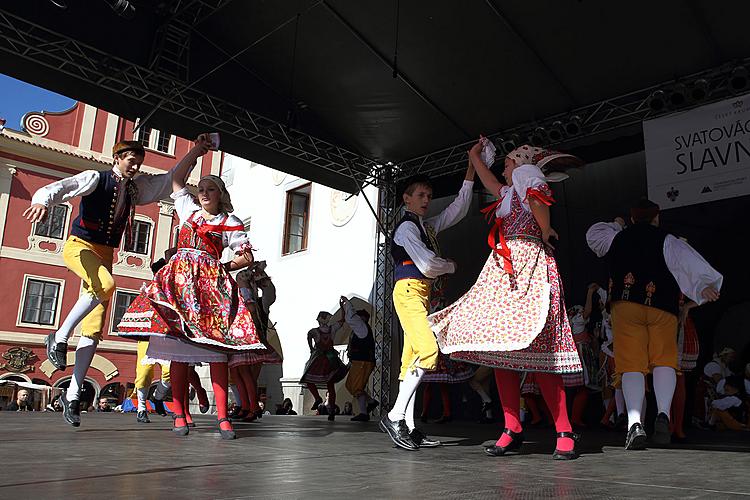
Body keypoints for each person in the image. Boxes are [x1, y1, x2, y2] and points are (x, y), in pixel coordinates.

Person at [26, 139, 203, 428]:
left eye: (138, 161)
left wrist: (196, 151)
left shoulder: (136, 189)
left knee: (94, 330)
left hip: (106, 254)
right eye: (130, 159)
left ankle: (72, 396)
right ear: (117, 157)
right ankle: (58, 336)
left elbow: (172, 178)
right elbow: (63, 187)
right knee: (106, 285)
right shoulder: (97, 178)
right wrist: (41, 201)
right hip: (79, 246)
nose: (135, 165)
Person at [430, 140, 583, 460]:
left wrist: (544, 229)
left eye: (509, 162)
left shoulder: (528, 175)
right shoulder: (509, 192)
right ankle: (511, 427)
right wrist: (473, 157)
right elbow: (490, 181)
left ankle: (563, 429)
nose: (505, 167)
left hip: (525, 263)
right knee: (501, 350)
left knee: (542, 352)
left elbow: (538, 199)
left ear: (522, 164)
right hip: (506, 267)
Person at [117, 134, 265, 440]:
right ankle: (180, 414)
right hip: (179, 284)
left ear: (221, 194)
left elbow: (246, 255)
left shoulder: (231, 221)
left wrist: (223, 266)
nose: (204, 192)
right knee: (178, 351)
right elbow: (177, 177)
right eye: (201, 189)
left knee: (217, 352)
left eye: (211, 188)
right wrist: (198, 149)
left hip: (210, 287)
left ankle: (223, 417)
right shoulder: (188, 210)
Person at [586, 198, 722, 449]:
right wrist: (706, 286)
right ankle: (663, 414)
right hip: (661, 306)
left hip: (624, 306)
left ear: (632, 217)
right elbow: (690, 264)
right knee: (664, 360)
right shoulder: (668, 240)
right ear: (656, 217)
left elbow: (593, 235)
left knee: (631, 365)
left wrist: (617, 225)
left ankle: (635, 423)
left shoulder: (616, 238)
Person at [379, 158, 475, 451]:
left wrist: (471, 170)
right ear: (406, 198)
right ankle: (395, 417)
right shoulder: (407, 228)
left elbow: (456, 210)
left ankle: (408, 427)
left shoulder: (424, 226)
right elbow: (428, 263)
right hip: (408, 291)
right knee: (428, 350)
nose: (426, 200)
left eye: (429, 196)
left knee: (411, 360)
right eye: (420, 195)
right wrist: (450, 266)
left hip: (419, 294)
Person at [230, 261, 282, 422]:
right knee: (237, 372)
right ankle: (246, 406)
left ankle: (252, 406)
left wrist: (259, 276)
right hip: (240, 338)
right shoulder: (245, 298)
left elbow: (268, 295)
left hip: (250, 339)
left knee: (246, 373)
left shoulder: (256, 301)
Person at [300, 311, 348, 421]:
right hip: (326, 357)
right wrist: (311, 348)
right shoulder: (324, 330)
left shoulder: (319, 331)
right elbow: (309, 335)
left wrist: (312, 348)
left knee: (322, 382)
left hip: (324, 358)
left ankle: (325, 405)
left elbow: (309, 335)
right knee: (318, 381)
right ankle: (321, 401)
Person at [340, 296, 379, 422]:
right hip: (359, 361)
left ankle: (363, 412)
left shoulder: (362, 328)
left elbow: (351, 318)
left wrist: (347, 304)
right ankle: (371, 402)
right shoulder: (360, 330)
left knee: (356, 387)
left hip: (363, 361)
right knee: (350, 385)